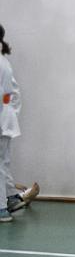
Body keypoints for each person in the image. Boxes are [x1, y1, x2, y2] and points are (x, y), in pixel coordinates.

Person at [0, 24, 39, 222]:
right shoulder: (3, 61)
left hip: (2, 119)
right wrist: (9, 115)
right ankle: (10, 199)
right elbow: (13, 95)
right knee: (3, 163)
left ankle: (2, 209)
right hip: (5, 120)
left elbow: (7, 95)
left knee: (0, 164)